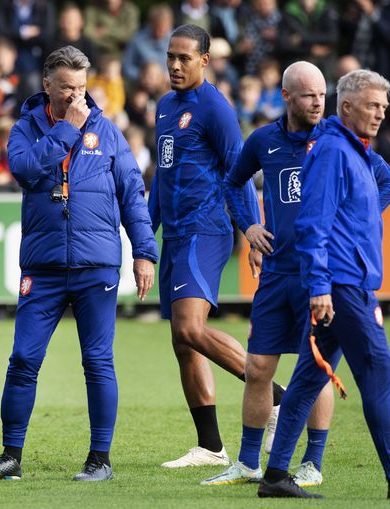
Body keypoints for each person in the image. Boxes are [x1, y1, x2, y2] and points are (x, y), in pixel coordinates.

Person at [0, 45, 158, 482]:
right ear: (47, 85)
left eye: (81, 88)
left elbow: (132, 194)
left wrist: (145, 252)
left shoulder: (108, 132)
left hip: (97, 265)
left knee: (98, 361)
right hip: (44, 265)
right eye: (67, 88)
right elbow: (25, 170)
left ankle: (100, 460)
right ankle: (10, 456)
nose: (77, 98)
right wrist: (67, 133)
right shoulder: (25, 128)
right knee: (23, 358)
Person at [258, 69, 390, 500]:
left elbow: (346, 210)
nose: (381, 114)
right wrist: (320, 286)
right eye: (372, 106)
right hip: (341, 286)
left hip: (348, 281)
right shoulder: (332, 152)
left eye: (384, 106)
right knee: (378, 368)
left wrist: (355, 221)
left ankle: (274, 477)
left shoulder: (355, 151)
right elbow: (310, 222)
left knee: (307, 379)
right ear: (346, 107)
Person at [149, 24, 280, 469]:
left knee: (189, 328)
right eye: (171, 56)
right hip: (174, 237)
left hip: (205, 231)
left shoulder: (216, 109)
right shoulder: (165, 107)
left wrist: (251, 230)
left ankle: (276, 399)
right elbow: (161, 179)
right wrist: (145, 235)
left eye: (184, 57)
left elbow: (239, 172)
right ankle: (210, 447)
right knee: (183, 343)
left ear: (205, 60)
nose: (175, 65)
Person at [202, 61, 334, 487]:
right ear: (287, 97)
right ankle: (247, 462)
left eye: (322, 94)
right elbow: (231, 182)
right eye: (310, 95)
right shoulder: (263, 140)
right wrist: (249, 225)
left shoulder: (336, 141)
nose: (318, 102)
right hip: (276, 274)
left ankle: (312, 463)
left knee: (316, 366)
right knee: (258, 367)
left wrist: (351, 225)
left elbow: (385, 183)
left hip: (319, 273)